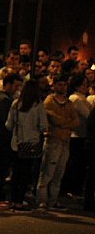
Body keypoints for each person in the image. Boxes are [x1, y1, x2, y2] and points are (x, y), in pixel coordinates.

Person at [35, 73, 79, 211]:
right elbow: (54, 120)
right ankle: (42, 200)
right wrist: (66, 122)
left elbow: (76, 121)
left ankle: (52, 201)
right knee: (47, 172)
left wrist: (63, 123)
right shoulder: (49, 101)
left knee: (59, 173)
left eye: (65, 84)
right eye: (60, 84)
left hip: (65, 141)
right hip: (52, 140)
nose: (63, 87)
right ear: (54, 85)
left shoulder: (68, 103)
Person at [5, 80, 48, 211]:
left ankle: (12, 200)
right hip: (32, 143)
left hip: (17, 143)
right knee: (25, 173)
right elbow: (43, 125)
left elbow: (8, 125)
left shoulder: (16, 104)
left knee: (16, 173)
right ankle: (19, 201)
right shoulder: (38, 105)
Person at [0, 73, 23, 207]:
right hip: (1, 140)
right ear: (7, 85)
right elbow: (5, 122)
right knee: (0, 169)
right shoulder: (4, 100)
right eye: (15, 85)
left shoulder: (0, 98)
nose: (17, 89)